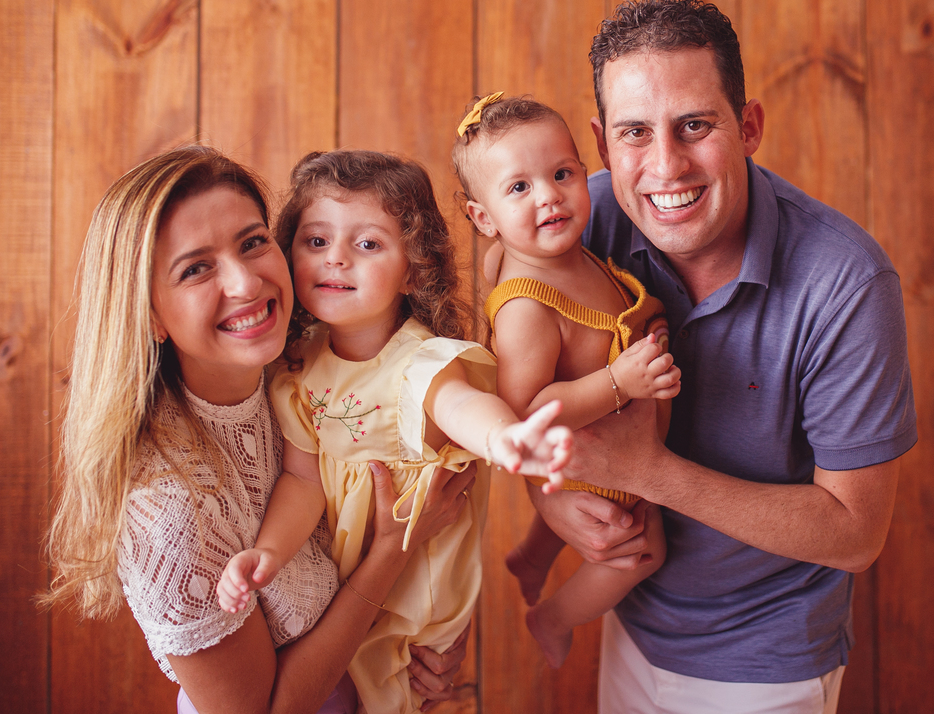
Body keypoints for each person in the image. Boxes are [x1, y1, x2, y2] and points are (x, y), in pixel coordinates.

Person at [529, 0, 918, 714]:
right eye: (635, 133)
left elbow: (856, 532)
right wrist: (545, 502)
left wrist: (647, 471)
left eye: (695, 126)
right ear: (602, 142)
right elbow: (512, 384)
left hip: (766, 661)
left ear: (748, 127)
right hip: (630, 619)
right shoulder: (578, 221)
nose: (665, 166)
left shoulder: (847, 282)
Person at [43, 146, 476, 714]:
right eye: (196, 268)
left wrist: (436, 634)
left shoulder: (304, 370)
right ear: (147, 313)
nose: (246, 283)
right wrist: (392, 554)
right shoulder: (169, 509)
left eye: (252, 243)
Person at [258, 149, 574, 714]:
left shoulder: (421, 361)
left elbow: (460, 406)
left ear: (413, 267)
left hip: (410, 605)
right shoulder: (297, 370)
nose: (336, 260)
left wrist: (505, 439)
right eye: (316, 241)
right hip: (346, 597)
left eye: (368, 244)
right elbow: (301, 481)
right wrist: (267, 555)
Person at [449, 92, 679, 669]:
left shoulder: (555, 253)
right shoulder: (528, 308)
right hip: (593, 464)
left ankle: (530, 556)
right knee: (641, 551)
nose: (549, 196)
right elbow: (525, 411)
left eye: (561, 174)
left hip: (613, 444)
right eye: (518, 188)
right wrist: (620, 381)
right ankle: (551, 616)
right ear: (483, 218)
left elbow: (493, 263)